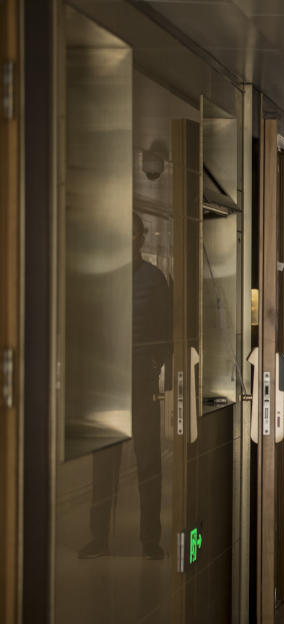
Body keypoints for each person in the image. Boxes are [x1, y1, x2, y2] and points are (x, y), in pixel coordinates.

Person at [79, 214, 172, 560]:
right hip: (107, 382)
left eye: (133, 234)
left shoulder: (154, 279)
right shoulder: (104, 278)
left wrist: (153, 366)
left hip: (141, 382)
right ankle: (99, 538)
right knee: (104, 466)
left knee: (149, 462)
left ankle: (150, 539)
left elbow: (166, 330)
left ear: (141, 238)